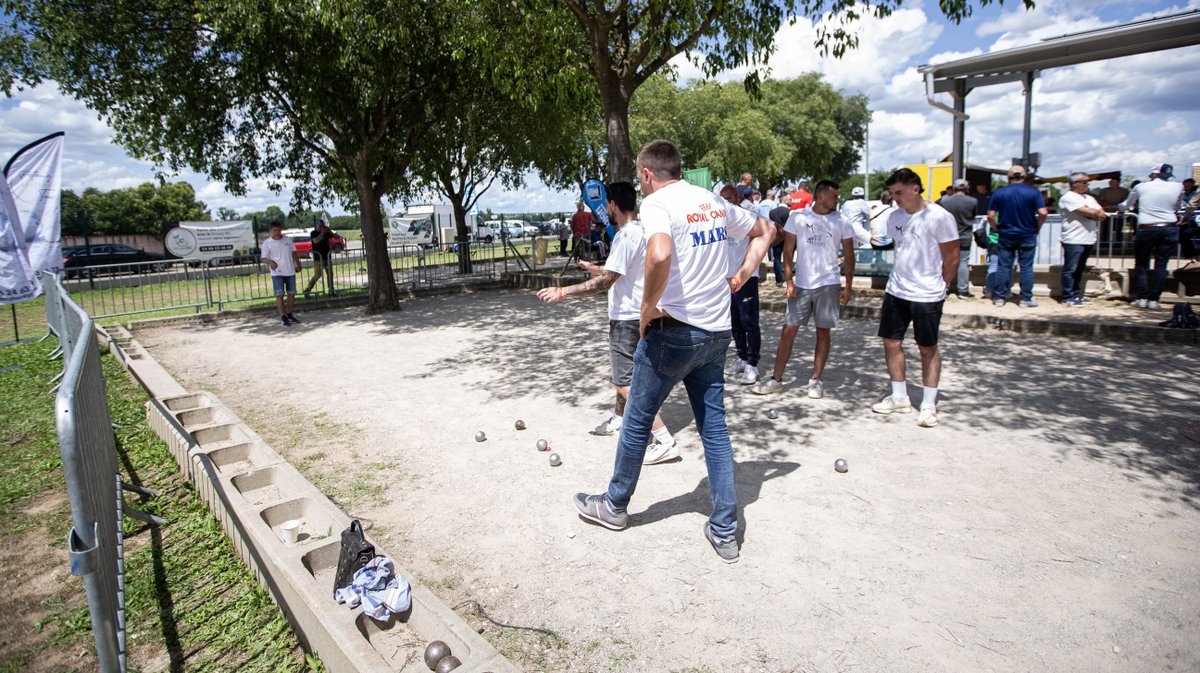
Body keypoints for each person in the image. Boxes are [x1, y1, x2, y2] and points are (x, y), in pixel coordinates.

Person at [572, 139, 772, 563]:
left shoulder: (657, 204)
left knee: (638, 420)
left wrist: (647, 310)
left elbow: (659, 252)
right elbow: (765, 230)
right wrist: (742, 274)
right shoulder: (712, 201)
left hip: (673, 331)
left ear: (647, 174)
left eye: (642, 179)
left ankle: (614, 505)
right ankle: (724, 528)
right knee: (714, 431)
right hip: (717, 333)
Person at [536, 182, 678, 464]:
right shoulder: (642, 231)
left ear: (612, 204)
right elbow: (622, 270)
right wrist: (597, 267)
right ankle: (620, 418)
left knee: (625, 381)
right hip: (636, 313)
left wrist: (563, 291)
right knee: (625, 376)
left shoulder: (627, 235)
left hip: (625, 317)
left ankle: (663, 439)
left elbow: (607, 282)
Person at [871, 168, 959, 428]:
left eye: (899, 193)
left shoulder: (939, 217)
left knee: (927, 348)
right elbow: (901, 249)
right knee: (891, 342)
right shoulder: (894, 217)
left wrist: (942, 284)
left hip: (928, 294)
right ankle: (899, 397)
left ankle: (929, 405)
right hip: (897, 290)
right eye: (892, 193)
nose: (895, 198)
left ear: (915, 189)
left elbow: (952, 256)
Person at [753, 179, 855, 399]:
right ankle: (776, 378)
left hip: (829, 283)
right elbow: (787, 251)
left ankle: (815, 380)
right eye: (835, 196)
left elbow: (849, 255)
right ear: (821, 196)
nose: (838, 200)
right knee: (788, 330)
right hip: (802, 284)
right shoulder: (798, 218)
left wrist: (848, 286)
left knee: (823, 332)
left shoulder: (842, 221)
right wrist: (789, 281)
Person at [1121, 163, 1185, 309]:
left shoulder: (1141, 187)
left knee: (1142, 264)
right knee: (1161, 266)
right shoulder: (1178, 186)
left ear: (1153, 174)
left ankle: (1142, 298)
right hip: (1169, 227)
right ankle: (1154, 300)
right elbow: (1177, 206)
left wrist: (1121, 209)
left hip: (1147, 227)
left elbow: (1126, 205)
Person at [719, 185, 762, 386]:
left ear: (738, 197)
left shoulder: (747, 217)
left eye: (729, 198)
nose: (725, 202)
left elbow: (762, 238)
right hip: (727, 279)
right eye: (722, 199)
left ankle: (752, 364)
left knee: (749, 321)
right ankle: (741, 357)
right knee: (735, 323)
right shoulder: (720, 219)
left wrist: (747, 269)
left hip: (746, 277)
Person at [987, 165, 1047, 308]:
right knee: (1026, 267)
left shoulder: (1000, 193)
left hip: (1006, 233)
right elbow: (1043, 212)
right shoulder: (1033, 192)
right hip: (1027, 233)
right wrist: (1037, 227)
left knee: (1004, 267)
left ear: (1008, 177)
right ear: (1024, 177)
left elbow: (990, 215)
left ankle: (999, 298)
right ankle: (1025, 299)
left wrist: (997, 227)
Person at [1057, 172, 1105, 306]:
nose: (1086, 184)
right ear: (1074, 183)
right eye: (1084, 182)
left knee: (1079, 269)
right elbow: (1089, 212)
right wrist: (1093, 213)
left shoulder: (1089, 198)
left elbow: (1102, 214)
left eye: (1087, 182)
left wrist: (1094, 213)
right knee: (1070, 269)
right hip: (1073, 238)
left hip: (1088, 238)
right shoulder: (1068, 197)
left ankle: (1076, 294)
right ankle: (1067, 295)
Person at [937, 178, 980, 299]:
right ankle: (963, 290)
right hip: (965, 235)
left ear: (954, 188)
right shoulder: (973, 201)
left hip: (948, 237)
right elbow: (974, 215)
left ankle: (944, 289)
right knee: (963, 262)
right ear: (966, 188)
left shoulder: (945, 202)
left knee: (946, 262)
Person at [260, 222, 303, 326]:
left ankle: (290, 314)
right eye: (274, 230)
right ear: (270, 231)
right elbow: (263, 258)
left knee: (291, 294)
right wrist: (270, 262)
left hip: (290, 270)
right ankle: (283, 316)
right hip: (277, 272)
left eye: (279, 230)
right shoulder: (267, 243)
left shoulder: (288, 240)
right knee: (279, 294)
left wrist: (298, 264)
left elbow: (294, 253)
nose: (277, 232)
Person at [303, 219, 336, 298]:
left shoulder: (326, 232)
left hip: (327, 256)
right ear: (316, 225)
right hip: (318, 258)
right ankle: (307, 290)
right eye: (320, 226)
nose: (321, 227)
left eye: (322, 226)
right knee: (318, 274)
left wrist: (329, 230)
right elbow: (315, 241)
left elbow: (335, 236)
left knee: (330, 274)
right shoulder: (313, 233)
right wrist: (322, 233)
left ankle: (331, 291)